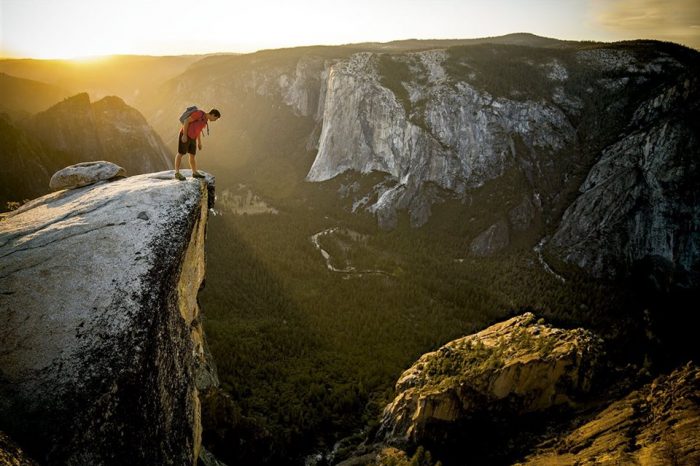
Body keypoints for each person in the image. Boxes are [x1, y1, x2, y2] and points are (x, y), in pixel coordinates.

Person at [174, 108, 221, 180]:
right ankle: (177, 173)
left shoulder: (205, 120)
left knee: (192, 155)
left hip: (193, 138)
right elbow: (186, 121)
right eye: (216, 118)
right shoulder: (199, 114)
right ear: (213, 115)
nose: (215, 120)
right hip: (185, 134)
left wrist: (199, 142)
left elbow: (198, 130)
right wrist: (184, 135)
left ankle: (194, 173)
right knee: (181, 153)